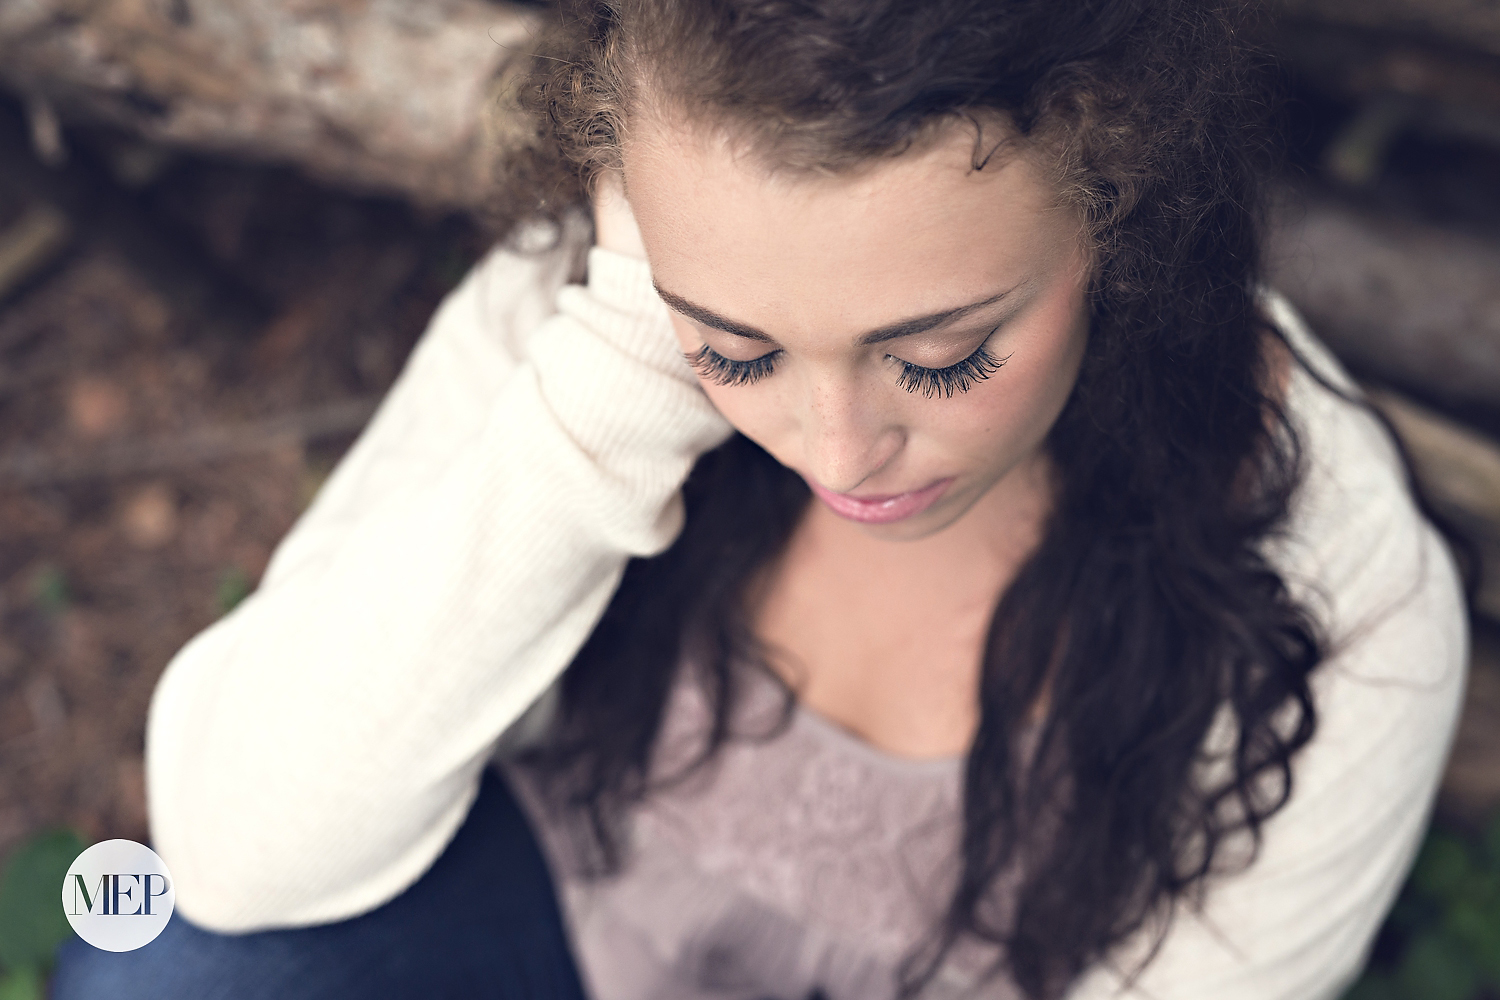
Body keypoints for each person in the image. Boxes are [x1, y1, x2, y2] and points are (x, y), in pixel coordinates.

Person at [51, 0, 1473, 997]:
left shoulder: (1344, 598)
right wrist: (619, 385)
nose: (838, 452)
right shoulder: (594, 314)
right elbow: (235, 858)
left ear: (1124, 206)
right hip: (539, 923)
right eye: (736, 349)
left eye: (941, 355)